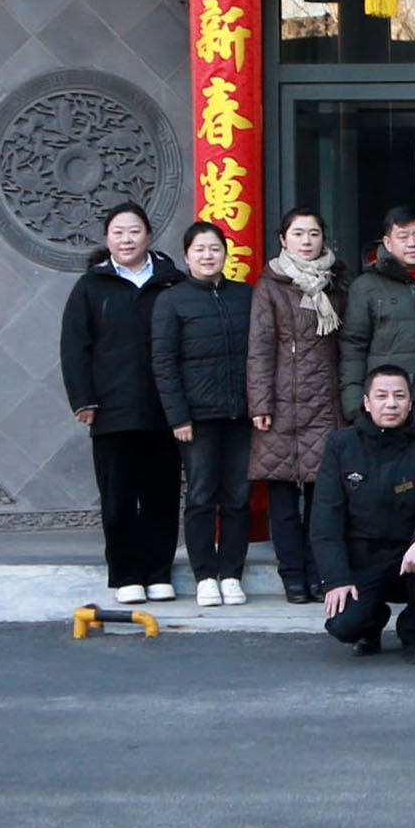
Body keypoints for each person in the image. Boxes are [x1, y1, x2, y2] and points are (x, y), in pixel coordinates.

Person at [58, 202, 185, 603]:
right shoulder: (91, 286)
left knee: (162, 494)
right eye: (118, 232)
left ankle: (158, 572)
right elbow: (74, 348)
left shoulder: (172, 282)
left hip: (164, 409)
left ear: (148, 235)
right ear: (107, 238)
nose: (126, 239)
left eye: (134, 231)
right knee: (118, 497)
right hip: (111, 409)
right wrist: (83, 399)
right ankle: (126, 575)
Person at [149, 221, 258, 609]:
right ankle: (205, 576)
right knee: (200, 496)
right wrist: (178, 417)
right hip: (196, 418)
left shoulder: (245, 295)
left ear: (226, 253)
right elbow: (163, 362)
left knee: (238, 496)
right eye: (200, 249)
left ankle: (231, 574)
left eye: (215, 248)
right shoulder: (172, 300)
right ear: (186, 256)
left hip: (241, 414)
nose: (208, 255)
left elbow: (260, 354)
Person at [312, 364, 415, 662]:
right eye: (381, 396)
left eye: (399, 396)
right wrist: (336, 579)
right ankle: (371, 623)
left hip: (409, 555)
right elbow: (326, 518)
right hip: (361, 558)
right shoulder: (341, 445)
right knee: (344, 626)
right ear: (366, 402)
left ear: (410, 402)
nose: (391, 404)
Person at [249, 207, 348, 605]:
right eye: (298, 233)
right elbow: (259, 347)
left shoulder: (337, 283)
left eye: (313, 233)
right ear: (283, 239)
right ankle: (292, 576)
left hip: (325, 404)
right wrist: (260, 402)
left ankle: (320, 573)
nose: (306, 241)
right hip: (280, 405)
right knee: (284, 504)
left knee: (322, 501)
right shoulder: (270, 284)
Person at [338, 206, 415, 441]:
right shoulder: (366, 287)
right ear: (388, 242)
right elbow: (353, 348)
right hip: (387, 411)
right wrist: (354, 405)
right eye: (403, 237)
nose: (412, 243)